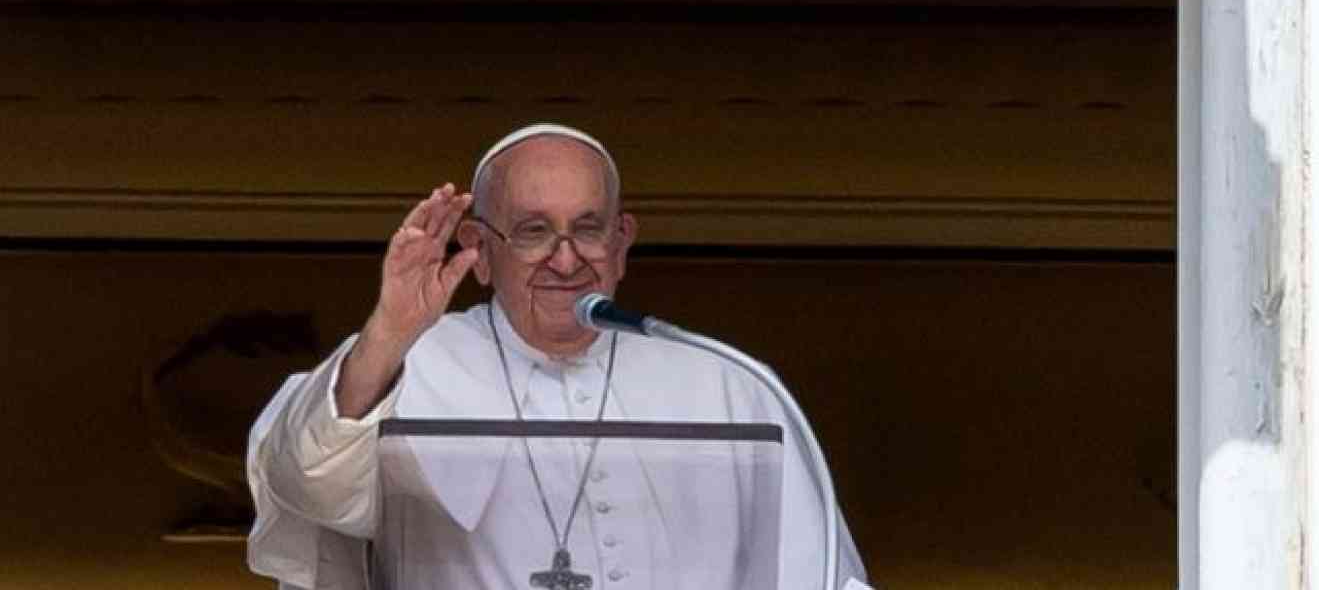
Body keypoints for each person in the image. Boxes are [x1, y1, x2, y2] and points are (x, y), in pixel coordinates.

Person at [247, 123, 869, 589]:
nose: (566, 260)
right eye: (533, 231)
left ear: (621, 243)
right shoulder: (407, 364)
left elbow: (817, 573)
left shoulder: (730, 384)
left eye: (588, 229)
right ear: (479, 249)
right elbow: (307, 483)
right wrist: (389, 330)